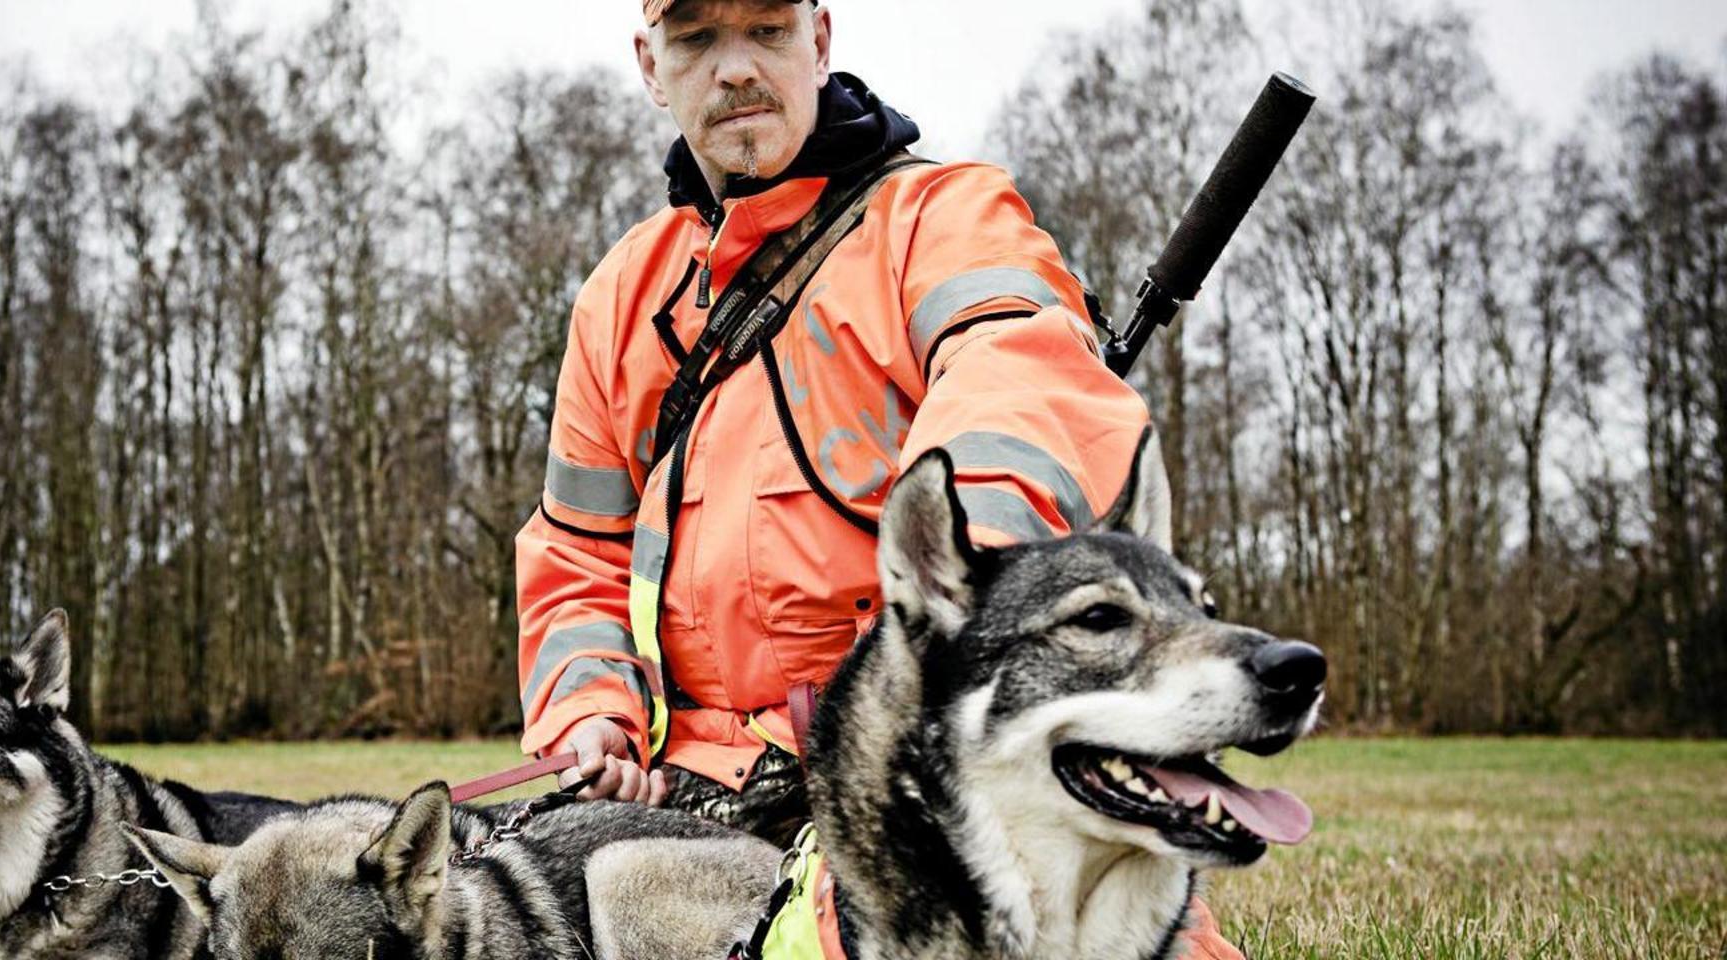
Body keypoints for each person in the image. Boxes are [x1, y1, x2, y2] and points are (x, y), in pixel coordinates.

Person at [514, 0, 1238, 953]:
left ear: (819, 42)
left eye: (766, 32)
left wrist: (955, 610)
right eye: (696, 39)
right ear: (652, 67)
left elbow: (1013, 376)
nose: (735, 69)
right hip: (681, 790)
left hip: (901, 766)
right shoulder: (620, 297)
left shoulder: (944, 217)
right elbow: (578, 552)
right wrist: (593, 714)